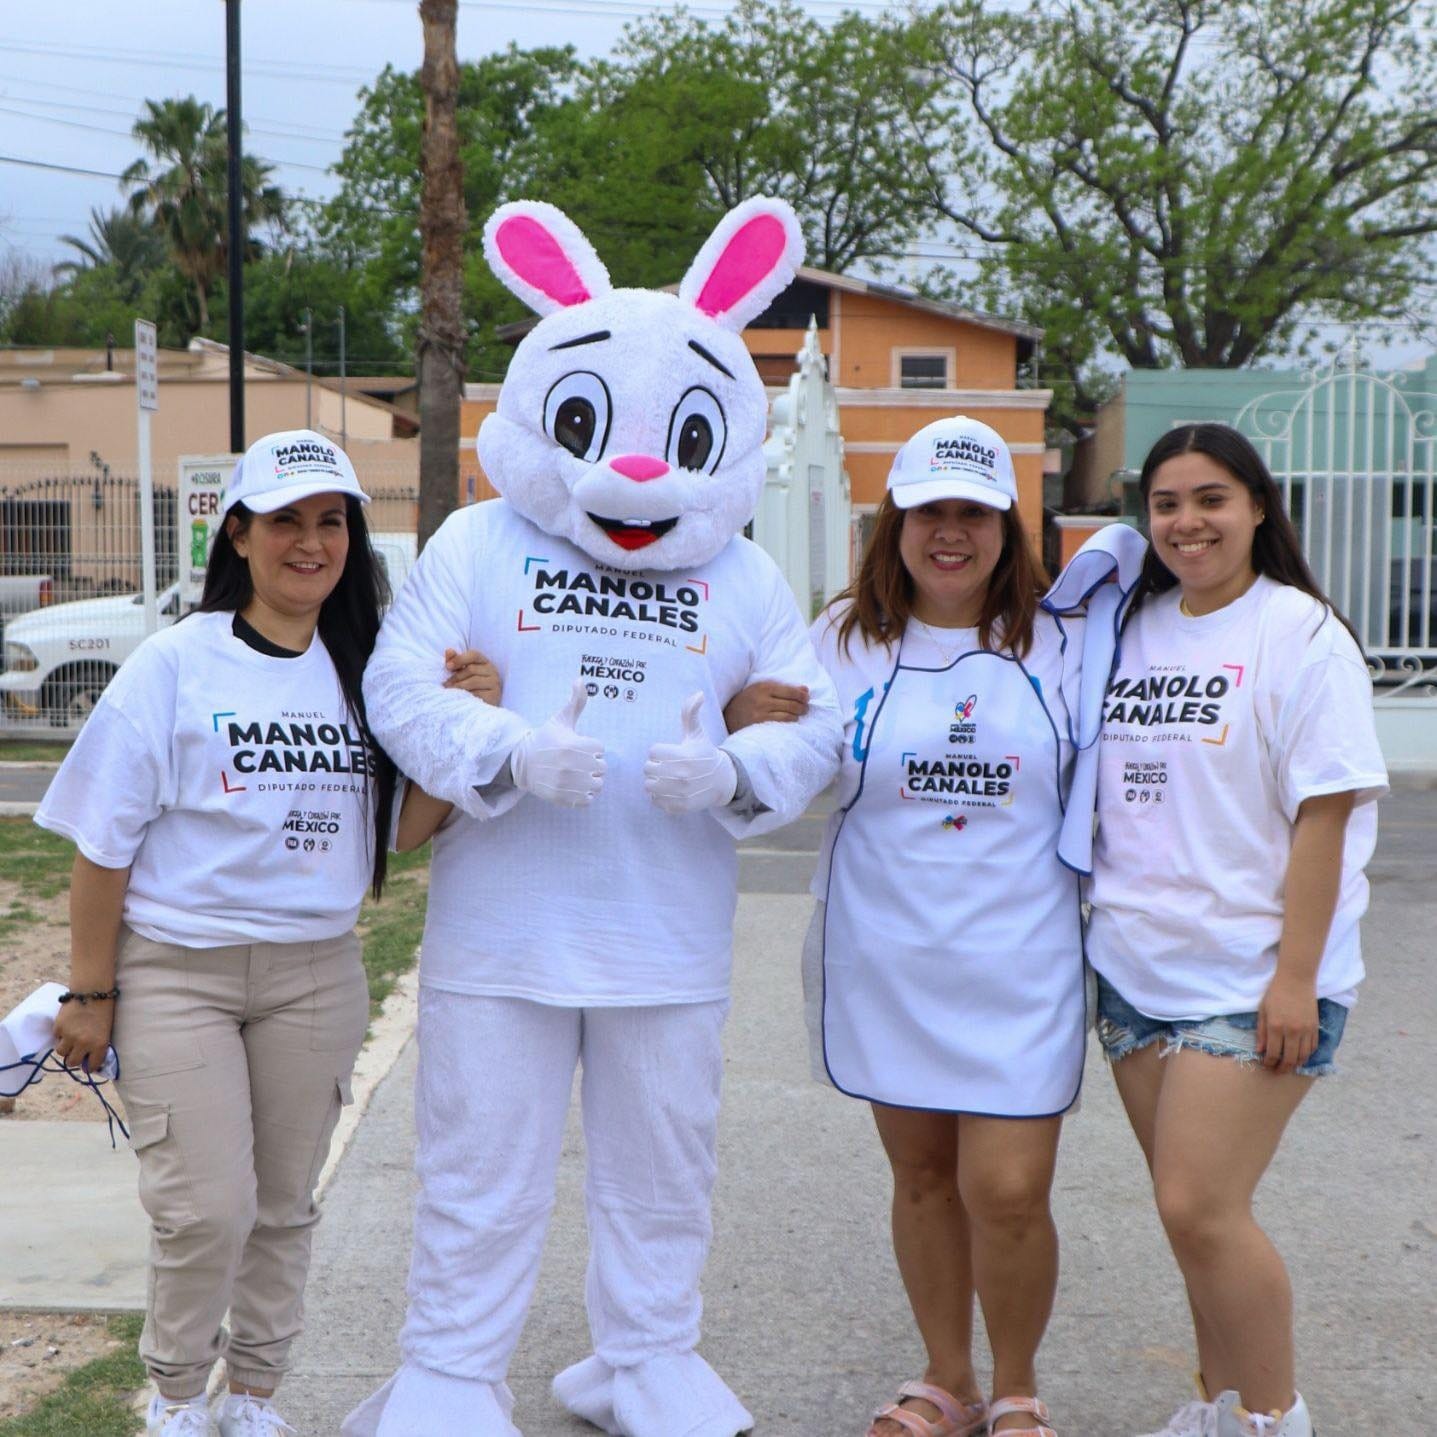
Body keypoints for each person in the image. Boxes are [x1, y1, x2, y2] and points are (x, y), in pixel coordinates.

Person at [38, 430, 484, 1437]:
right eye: (287, 520)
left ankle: (253, 1399)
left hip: (315, 975)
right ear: (238, 533)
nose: (311, 542)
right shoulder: (174, 663)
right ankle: (176, 1398)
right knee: (207, 1209)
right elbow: (103, 844)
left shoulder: (369, 670)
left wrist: (458, 739)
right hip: (178, 973)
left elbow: (399, 834)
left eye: (332, 522)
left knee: (284, 1207)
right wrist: (90, 991)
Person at [1086, 424, 1388, 1437]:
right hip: (1134, 966)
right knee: (1192, 1228)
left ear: (1258, 505)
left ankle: (1272, 1417)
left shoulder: (1301, 635)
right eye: (1166, 504)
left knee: (1197, 1207)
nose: (1187, 522)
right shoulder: (1132, 629)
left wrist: (1296, 978)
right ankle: (1218, 1411)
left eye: (1211, 498)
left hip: (1253, 973)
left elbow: (1327, 815)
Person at [801, 414, 1084, 1437]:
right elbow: (783, 752)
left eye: (973, 512)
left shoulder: (1068, 642)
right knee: (921, 1177)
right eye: (930, 512)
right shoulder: (841, 640)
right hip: (888, 955)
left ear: (1008, 526)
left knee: (1007, 1191)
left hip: (1021, 964)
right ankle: (947, 1379)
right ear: (896, 525)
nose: (950, 533)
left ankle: (1017, 1389)